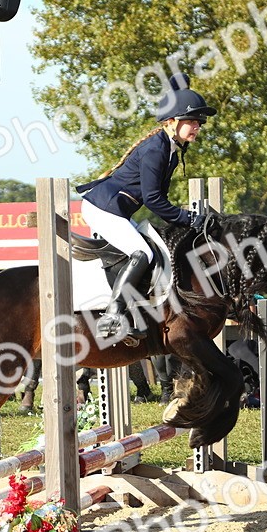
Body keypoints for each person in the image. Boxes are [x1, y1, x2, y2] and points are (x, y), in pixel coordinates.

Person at [75, 74, 215, 339]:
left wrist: (185, 219)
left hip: (116, 209)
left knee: (151, 250)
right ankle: (112, 316)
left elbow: (159, 198)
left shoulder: (171, 150)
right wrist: (187, 218)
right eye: (192, 121)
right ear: (171, 122)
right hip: (103, 208)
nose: (197, 126)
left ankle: (130, 314)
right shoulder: (157, 150)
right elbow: (153, 200)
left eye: (199, 122)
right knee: (143, 253)